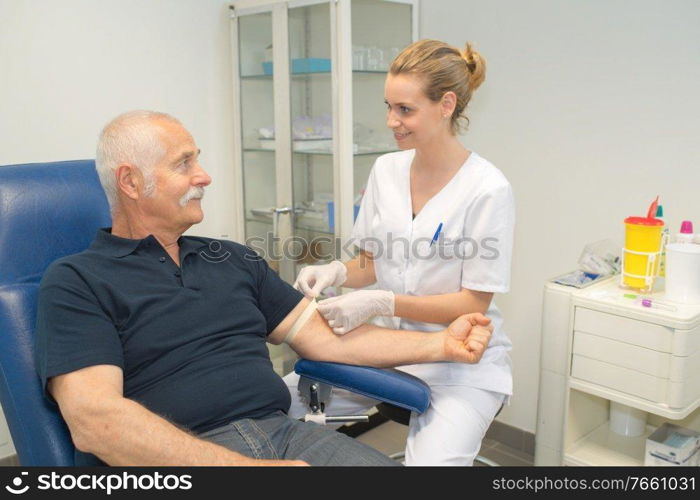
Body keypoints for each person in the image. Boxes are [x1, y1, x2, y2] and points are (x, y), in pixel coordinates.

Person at [34, 110, 494, 467]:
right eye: (184, 163)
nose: (204, 175)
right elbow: (98, 423)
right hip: (178, 457)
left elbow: (326, 338)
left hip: (287, 435)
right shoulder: (77, 281)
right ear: (131, 182)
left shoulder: (232, 258)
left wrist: (441, 344)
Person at [289, 40, 515, 466]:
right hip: (385, 349)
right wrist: (335, 271)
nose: (392, 121)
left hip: (460, 364)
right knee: (273, 407)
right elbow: (371, 263)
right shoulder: (386, 170)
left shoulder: (487, 188)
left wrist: (382, 300)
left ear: (446, 104)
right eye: (389, 106)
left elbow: (474, 302)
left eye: (405, 109)